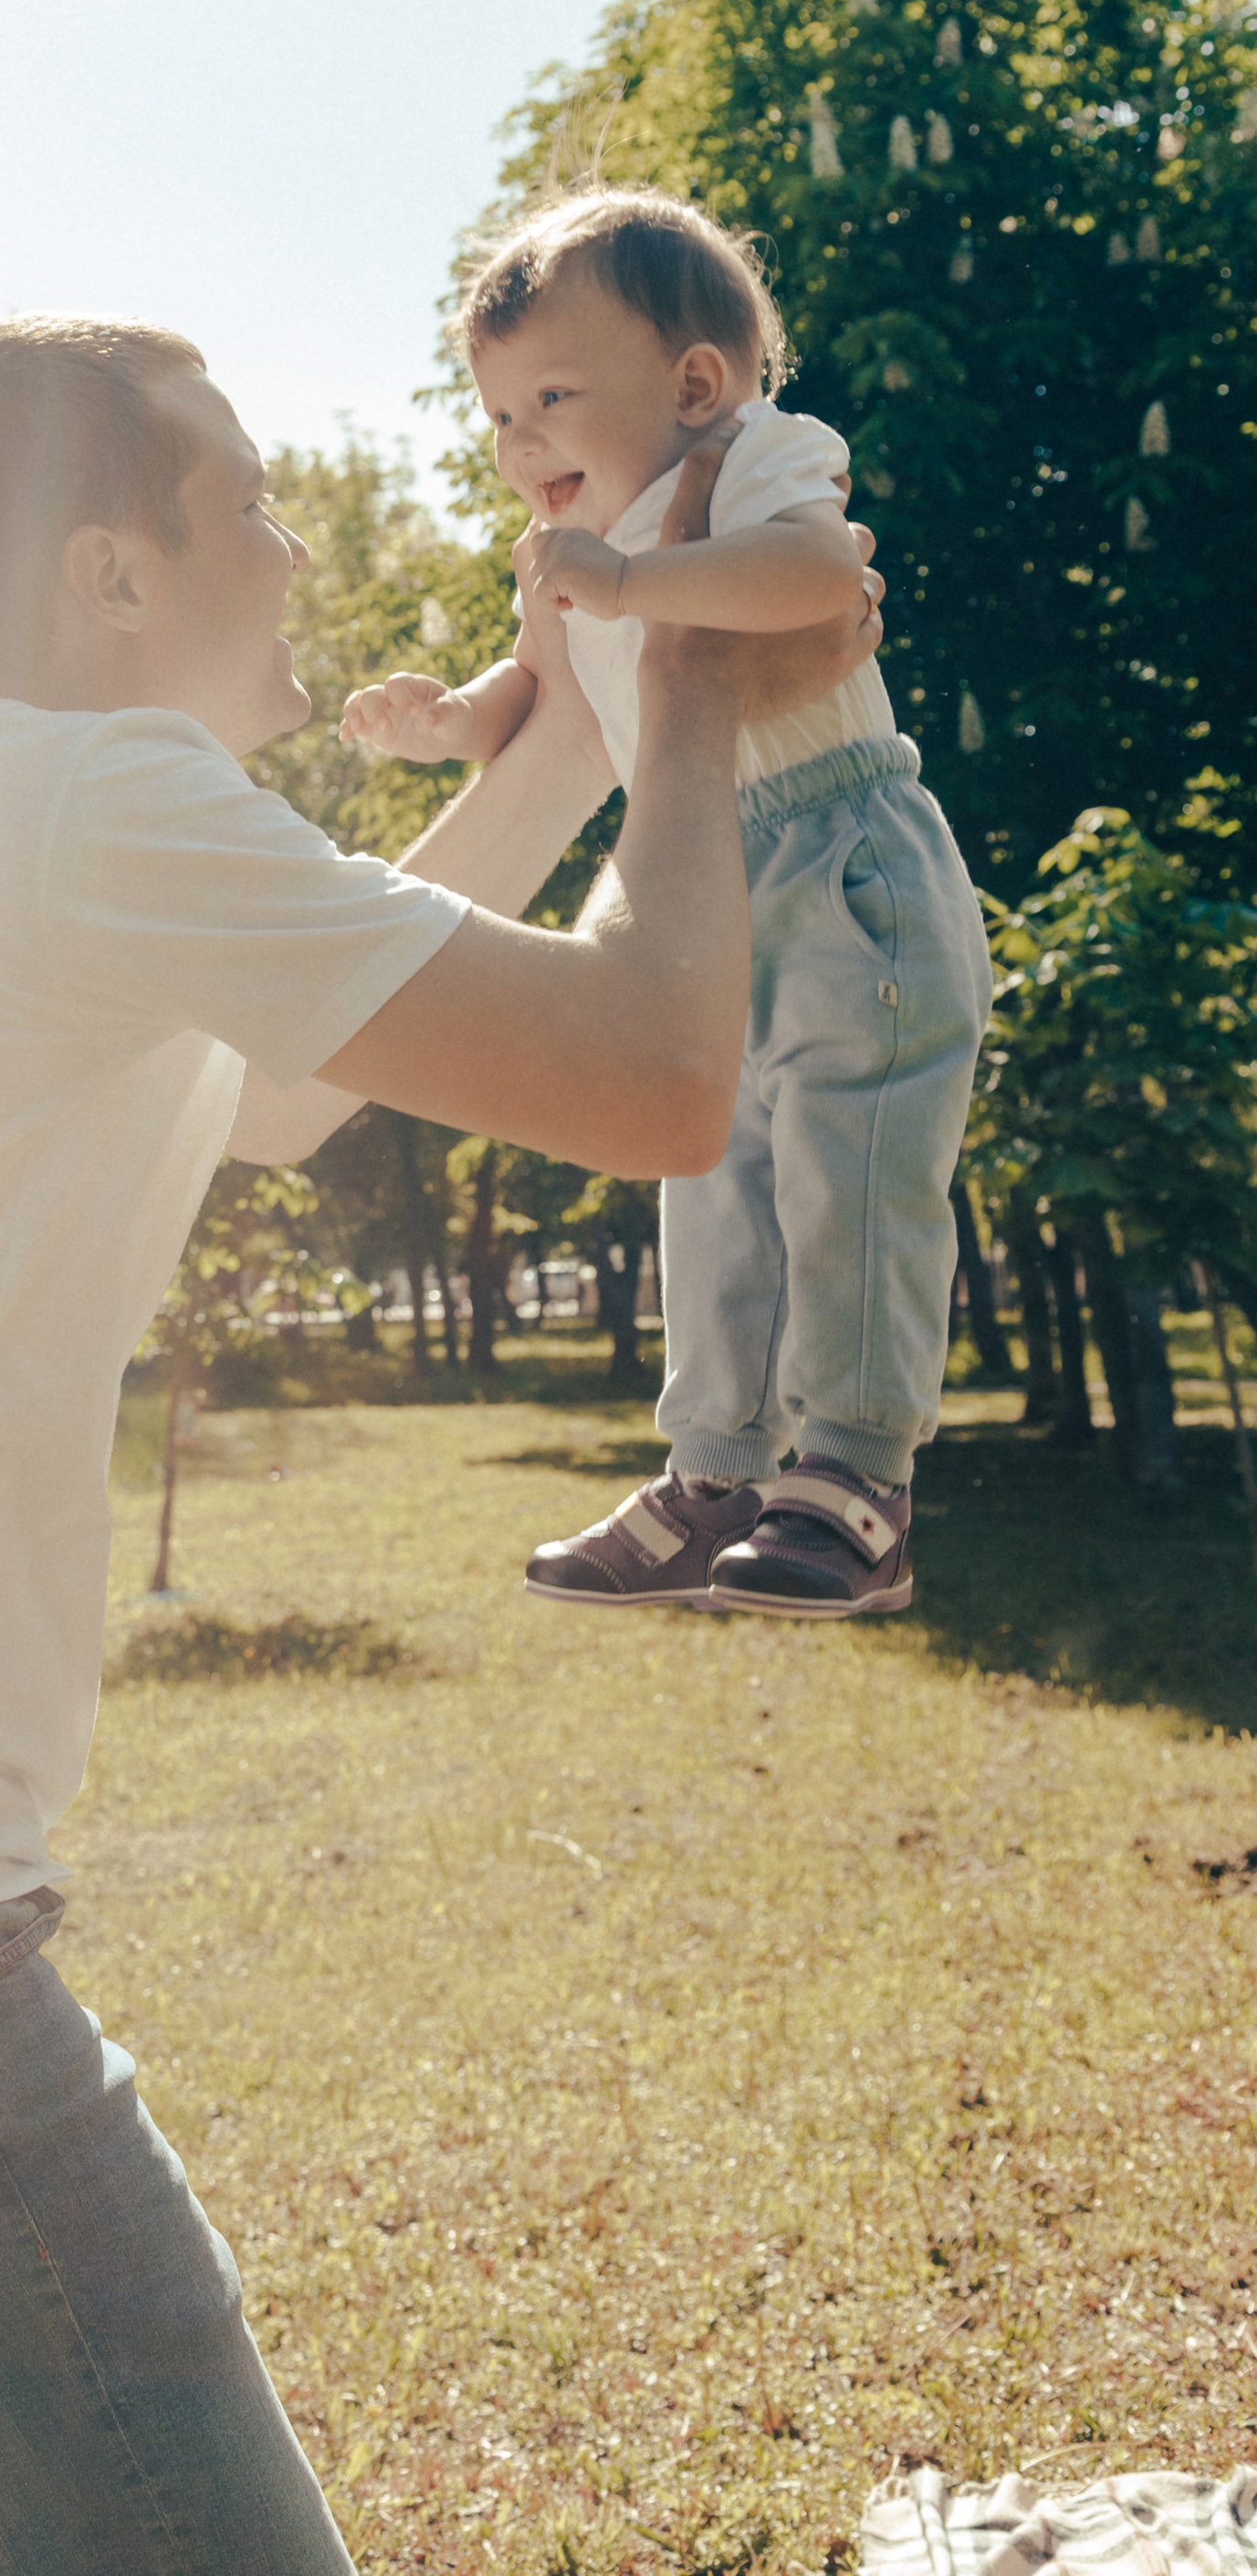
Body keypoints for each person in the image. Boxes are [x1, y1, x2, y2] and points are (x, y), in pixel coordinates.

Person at [0, 315, 884, 2576]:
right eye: (247, 501)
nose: (300, 543)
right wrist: (706, 666)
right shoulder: (84, 810)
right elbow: (659, 1083)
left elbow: (296, 1085)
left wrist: (575, 709)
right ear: (112, 579)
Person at [344, 191, 991, 1622]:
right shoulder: (562, 557)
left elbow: (823, 578)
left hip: (839, 861)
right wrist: (450, 721)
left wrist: (636, 577)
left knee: (853, 1157)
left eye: (552, 399)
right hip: (695, 888)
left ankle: (859, 1475)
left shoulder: (757, 457)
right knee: (704, 1175)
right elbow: (543, 694)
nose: (520, 447)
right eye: (500, 415)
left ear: (695, 385)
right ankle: (715, 1472)